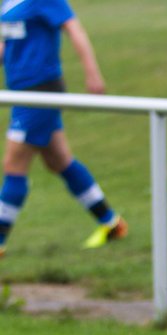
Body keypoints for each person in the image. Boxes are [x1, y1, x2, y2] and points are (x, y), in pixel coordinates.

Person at [0, 0, 126, 258]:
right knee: (59, 161)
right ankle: (111, 222)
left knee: (14, 164)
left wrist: (92, 73)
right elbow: (9, 47)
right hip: (21, 91)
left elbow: (74, 29)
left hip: (40, 90)